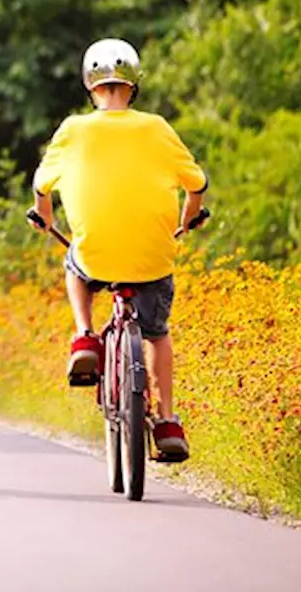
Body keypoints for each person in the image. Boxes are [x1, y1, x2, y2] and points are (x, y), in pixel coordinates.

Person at [27, 38, 208, 462]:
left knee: (76, 265)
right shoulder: (158, 128)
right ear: (133, 84)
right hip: (152, 256)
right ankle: (166, 421)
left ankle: (84, 337)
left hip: (96, 252)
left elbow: (41, 188)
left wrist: (45, 218)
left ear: (91, 85)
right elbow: (196, 186)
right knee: (157, 333)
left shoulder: (73, 129)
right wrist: (187, 219)